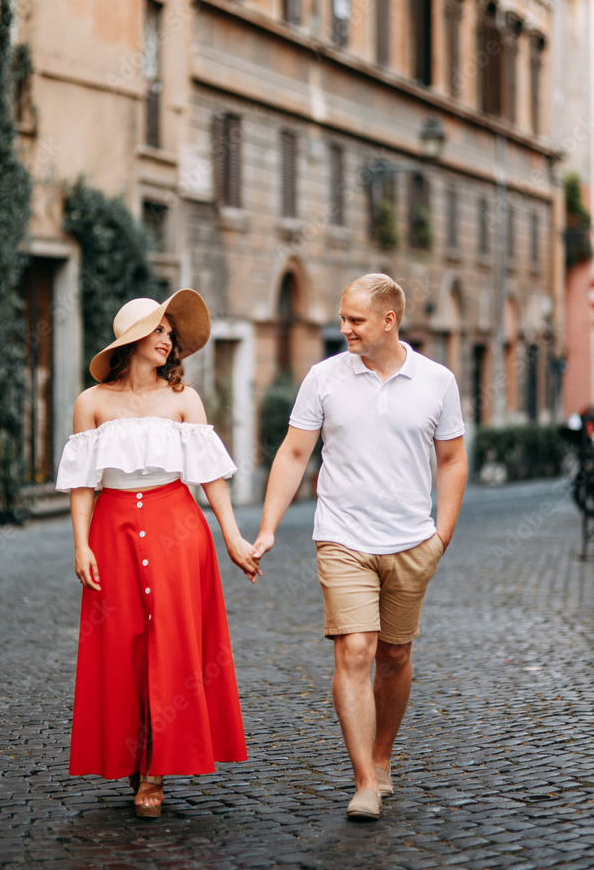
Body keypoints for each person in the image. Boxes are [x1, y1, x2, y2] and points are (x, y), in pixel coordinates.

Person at [252, 273, 467, 821]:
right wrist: (269, 527)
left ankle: (383, 757)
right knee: (355, 649)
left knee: (394, 655)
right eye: (342, 317)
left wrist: (440, 534)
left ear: (389, 320)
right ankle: (364, 781)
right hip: (342, 536)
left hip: (412, 541)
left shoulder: (437, 381)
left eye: (355, 320)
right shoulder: (323, 378)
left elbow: (451, 459)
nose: (343, 328)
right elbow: (294, 454)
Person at [55, 290, 260, 818]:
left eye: (171, 331)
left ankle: (155, 770)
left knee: (172, 645)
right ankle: (129, 754)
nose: (169, 339)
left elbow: (211, 478)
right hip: (112, 531)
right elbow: (83, 485)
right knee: (121, 646)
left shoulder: (185, 401)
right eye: (159, 330)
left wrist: (234, 538)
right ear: (132, 342)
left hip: (179, 529)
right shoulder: (91, 402)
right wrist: (80, 545)